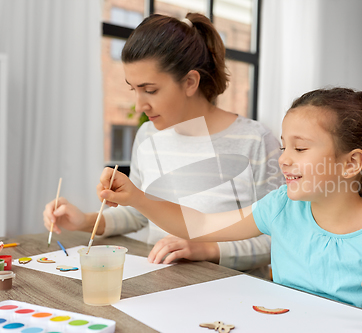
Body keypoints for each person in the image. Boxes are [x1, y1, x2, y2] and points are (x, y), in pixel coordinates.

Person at [96, 87, 362, 333]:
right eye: (285, 147)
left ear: (351, 164)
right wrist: (139, 198)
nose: (284, 160)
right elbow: (201, 224)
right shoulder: (283, 207)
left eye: (300, 149)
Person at [43, 13, 281, 277]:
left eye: (150, 90)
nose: (139, 105)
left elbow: (277, 239)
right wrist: (86, 221)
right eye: (133, 89)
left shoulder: (255, 141)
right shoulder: (148, 136)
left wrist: (206, 249)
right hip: (160, 285)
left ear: (190, 82)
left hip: (231, 296)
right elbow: (140, 215)